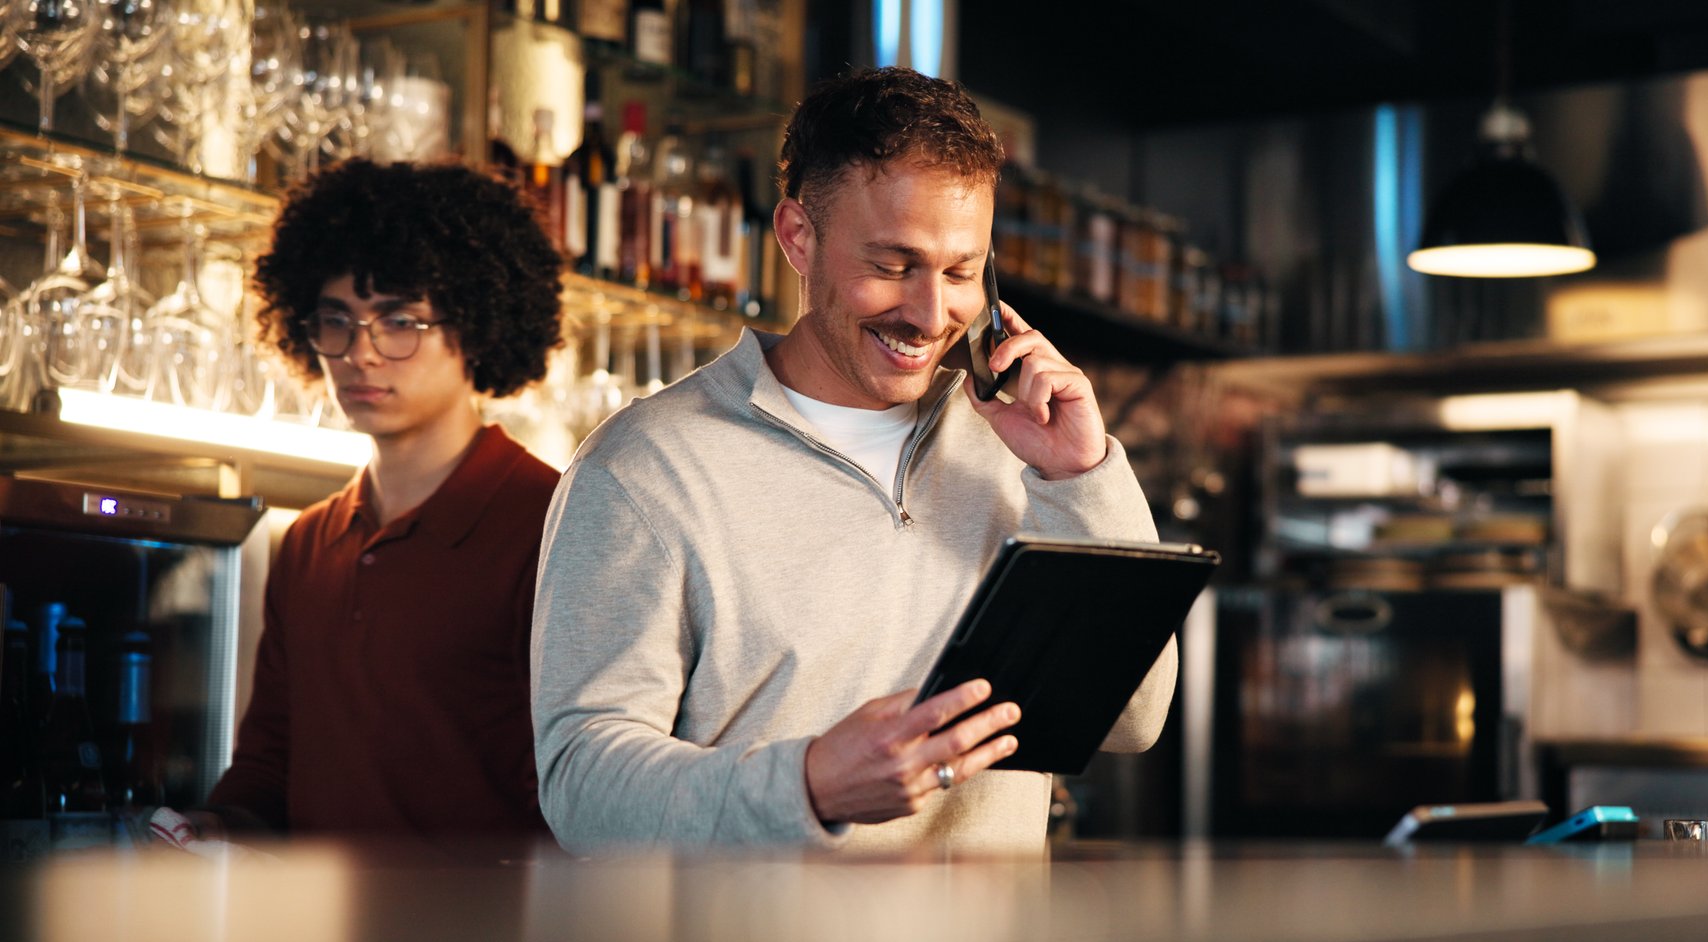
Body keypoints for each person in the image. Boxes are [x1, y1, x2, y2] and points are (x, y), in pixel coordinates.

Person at [532, 67, 1175, 856]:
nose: (931, 315)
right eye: (893, 265)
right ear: (798, 237)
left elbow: (1133, 722)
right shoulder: (644, 468)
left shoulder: (1023, 452)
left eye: (961, 272)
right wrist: (807, 786)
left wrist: (1081, 478)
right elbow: (583, 788)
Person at [197, 160, 566, 858]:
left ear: (477, 326)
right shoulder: (307, 541)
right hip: (314, 923)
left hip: (489, 923)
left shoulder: (552, 525)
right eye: (336, 321)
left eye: (399, 321)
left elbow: (577, 790)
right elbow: (270, 765)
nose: (360, 354)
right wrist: (214, 826)